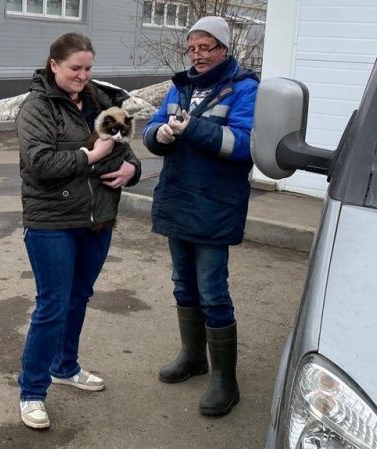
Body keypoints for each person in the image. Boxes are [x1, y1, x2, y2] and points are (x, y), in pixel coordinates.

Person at [15, 32, 142, 430]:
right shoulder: (37, 107)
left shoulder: (100, 100)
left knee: (79, 297)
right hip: (52, 221)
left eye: (88, 68)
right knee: (52, 304)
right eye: (75, 68)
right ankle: (31, 392)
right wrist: (90, 155)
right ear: (54, 65)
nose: (83, 76)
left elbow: (124, 146)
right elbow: (39, 163)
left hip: (97, 217)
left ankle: (65, 367)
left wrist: (132, 168)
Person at [142, 16, 259, 418]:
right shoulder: (180, 86)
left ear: (224, 48)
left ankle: (226, 381)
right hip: (178, 201)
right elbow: (152, 127)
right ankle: (193, 357)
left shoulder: (244, 88)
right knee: (182, 284)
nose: (198, 55)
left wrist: (192, 129)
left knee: (213, 292)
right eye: (192, 48)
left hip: (215, 205)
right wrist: (157, 136)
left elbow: (243, 145)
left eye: (206, 47)